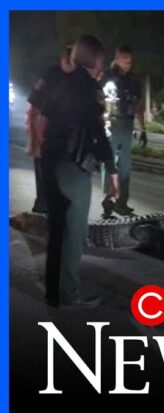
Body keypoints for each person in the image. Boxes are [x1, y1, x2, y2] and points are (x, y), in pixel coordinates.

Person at [40, 35, 119, 308]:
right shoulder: (89, 89)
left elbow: (42, 117)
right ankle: (69, 291)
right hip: (73, 165)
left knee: (57, 229)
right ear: (96, 60)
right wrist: (112, 170)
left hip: (50, 158)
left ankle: (54, 291)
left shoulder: (59, 79)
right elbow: (97, 132)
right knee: (73, 232)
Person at [25, 45, 75, 215]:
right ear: (64, 60)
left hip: (65, 140)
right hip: (45, 135)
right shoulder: (50, 76)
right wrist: (33, 140)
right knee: (44, 188)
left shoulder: (78, 78)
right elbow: (32, 108)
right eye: (71, 63)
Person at [100, 45, 146, 218]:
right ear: (117, 58)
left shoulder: (133, 80)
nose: (129, 62)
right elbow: (99, 100)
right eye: (125, 58)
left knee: (125, 166)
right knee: (111, 164)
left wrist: (143, 129)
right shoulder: (107, 77)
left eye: (130, 59)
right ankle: (108, 202)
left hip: (127, 124)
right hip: (112, 124)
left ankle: (122, 202)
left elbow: (139, 106)